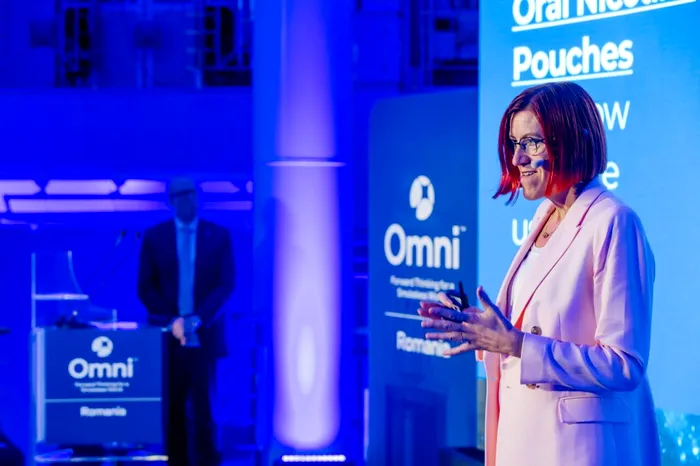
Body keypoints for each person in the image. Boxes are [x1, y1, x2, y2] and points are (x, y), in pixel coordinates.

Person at [418, 82, 660, 466]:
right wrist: (477, 327)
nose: (517, 158)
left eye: (531, 142)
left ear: (572, 140)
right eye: (514, 143)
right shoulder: (543, 217)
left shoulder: (613, 221)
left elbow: (624, 364)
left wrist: (518, 345)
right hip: (523, 439)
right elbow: (530, 329)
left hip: (575, 450)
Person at [138, 177, 235, 466]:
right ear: (171, 201)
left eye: (192, 193)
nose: (188, 199)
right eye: (181, 194)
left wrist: (198, 319)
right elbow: (145, 286)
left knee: (206, 409)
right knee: (173, 409)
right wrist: (173, 321)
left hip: (205, 334)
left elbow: (226, 284)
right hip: (168, 336)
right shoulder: (155, 237)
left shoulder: (218, 236)